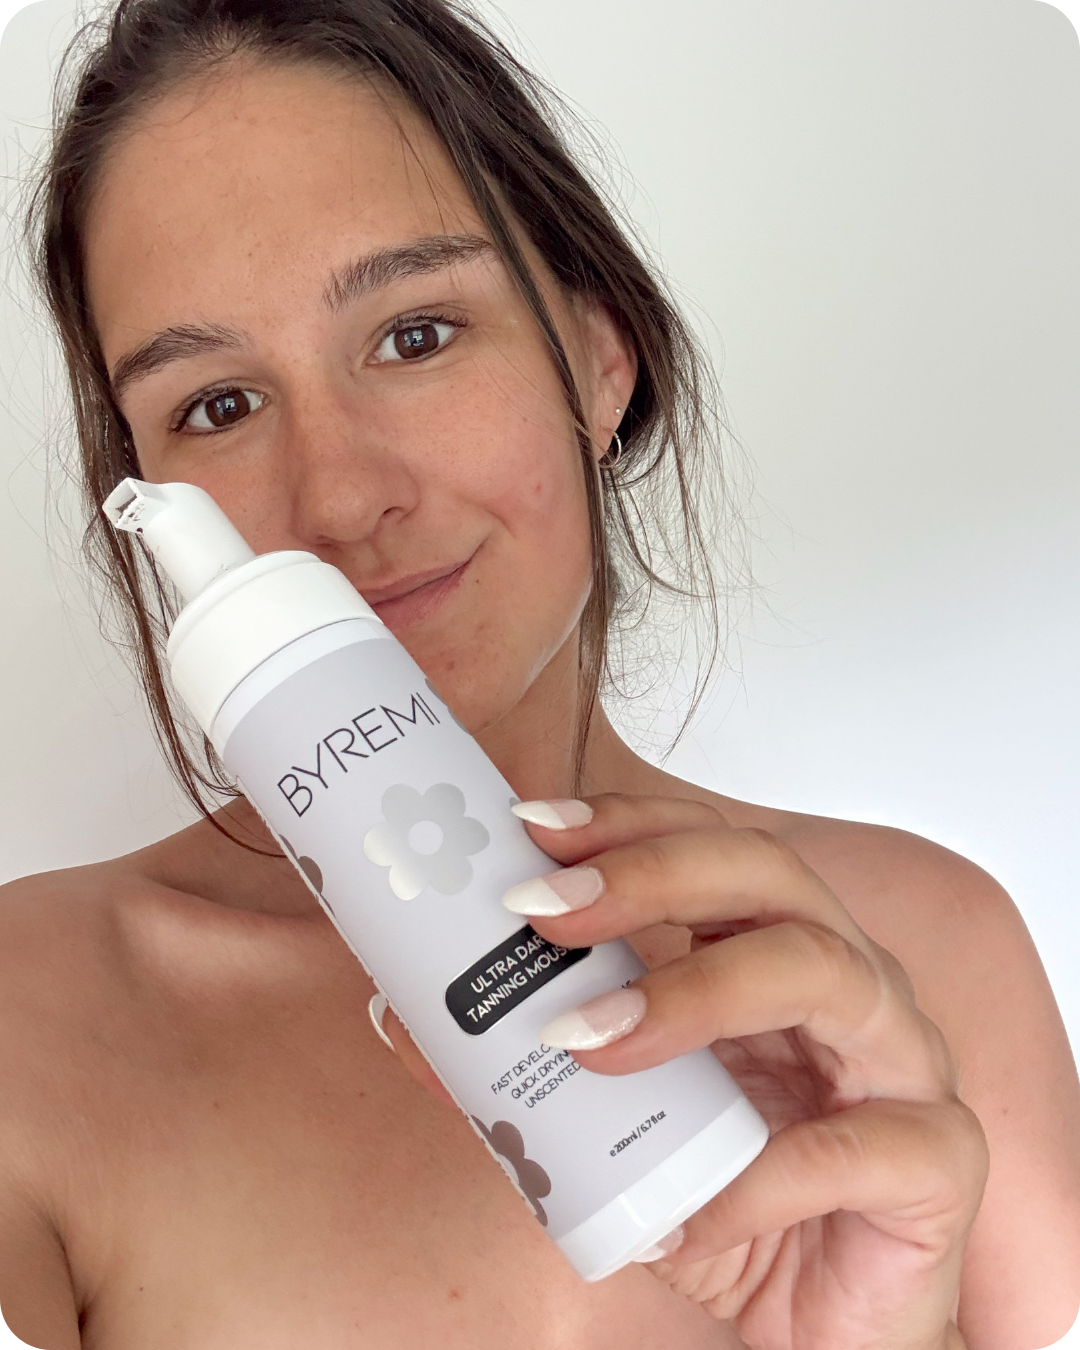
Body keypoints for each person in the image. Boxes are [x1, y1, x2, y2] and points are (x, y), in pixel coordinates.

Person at [2, 1, 1078, 1346]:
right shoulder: (31, 1025)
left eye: (415, 334)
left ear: (600, 358)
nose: (340, 497)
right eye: (217, 405)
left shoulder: (934, 956)